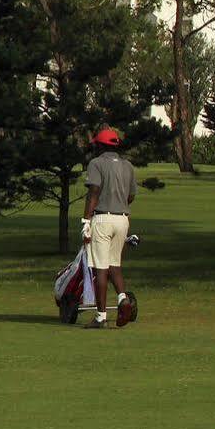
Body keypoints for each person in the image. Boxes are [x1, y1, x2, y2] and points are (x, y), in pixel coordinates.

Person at [81, 126, 135, 329]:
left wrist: (86, 221)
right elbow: (131, 196)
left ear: (100, 146)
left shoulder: (96, 163)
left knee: (101, 269)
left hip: (103, 219)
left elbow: (93, 192)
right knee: (115, 265)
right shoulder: (127, 165)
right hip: (123, 220)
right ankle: (123, 299)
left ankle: (101, 317)